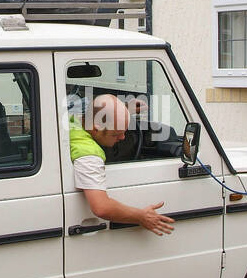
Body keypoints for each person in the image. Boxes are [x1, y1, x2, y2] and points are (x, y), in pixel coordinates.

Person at [70, 93, 175, 235]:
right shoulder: (89, 155)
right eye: (116, 134)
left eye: (124, 131)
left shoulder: (73, 122)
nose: (123, 137)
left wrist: (123, 110)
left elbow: (96, 113)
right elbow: (101, 207)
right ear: (96, 128)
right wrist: (141, 216)